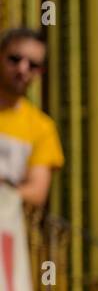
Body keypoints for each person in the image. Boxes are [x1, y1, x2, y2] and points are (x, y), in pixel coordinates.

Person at [0, 27, 63, 208]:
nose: (22, 69)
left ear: (39, 72)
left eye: (33, 65)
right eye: (15, 59)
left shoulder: (42, 127)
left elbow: (37, 192)